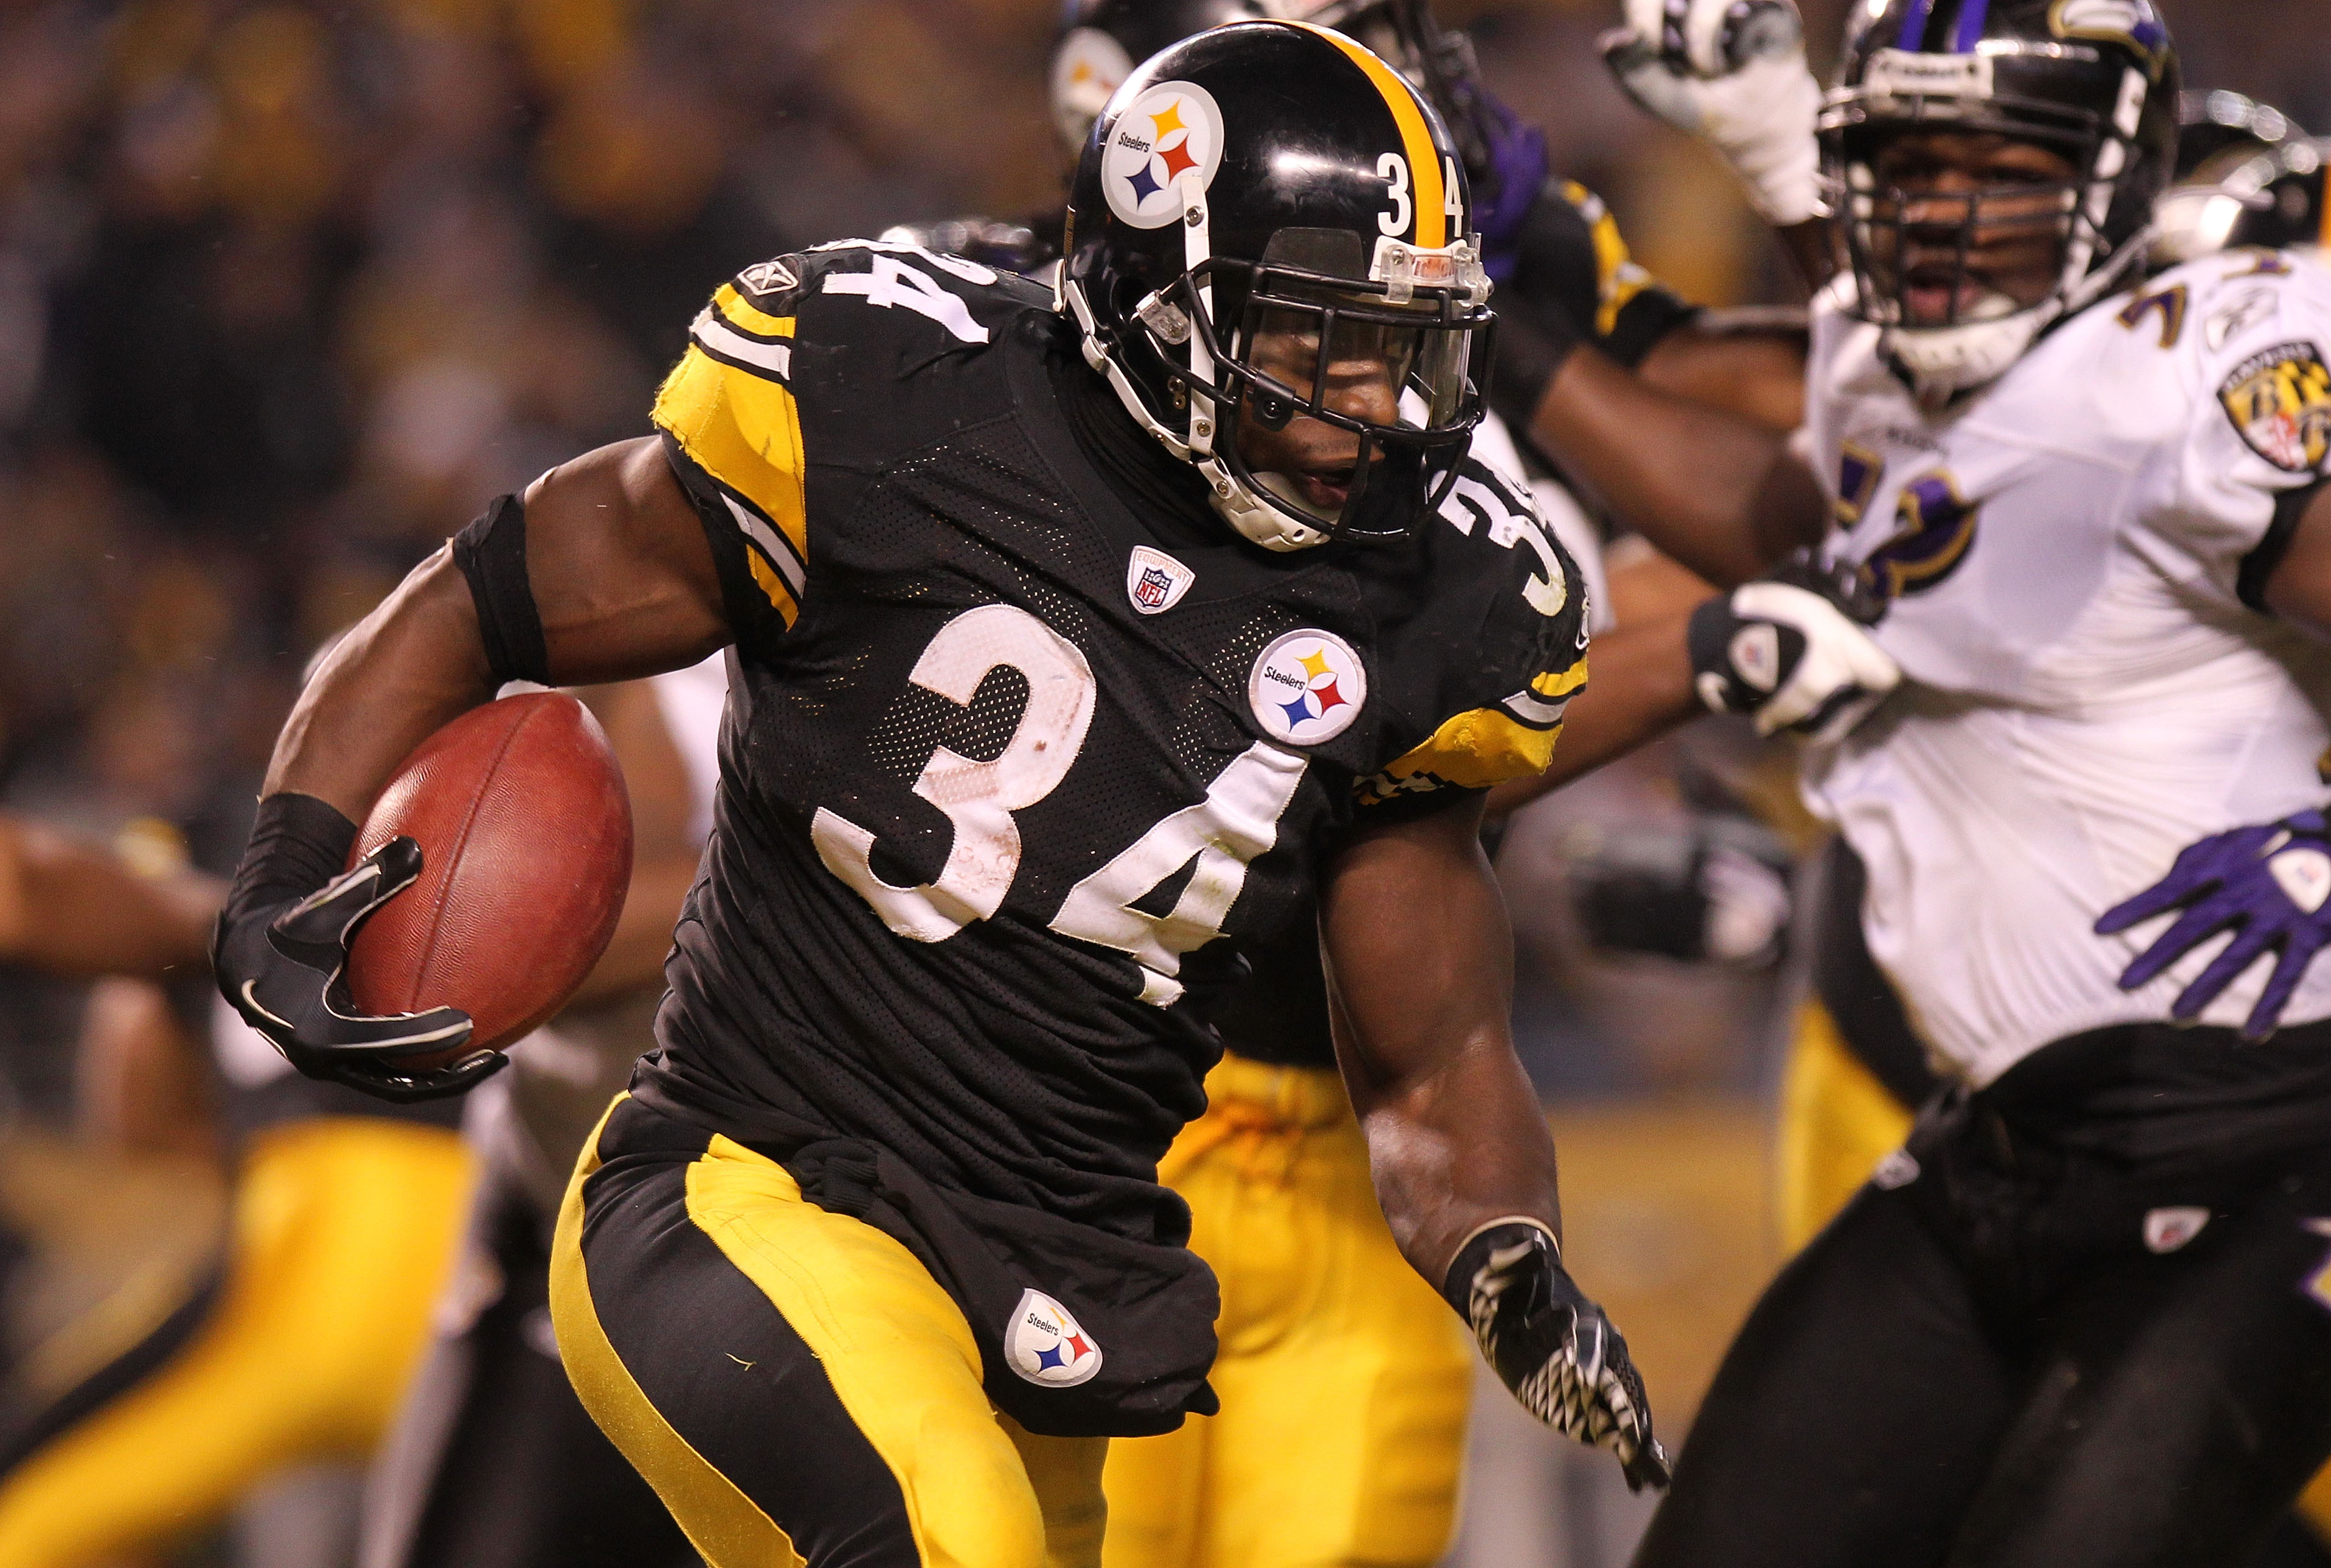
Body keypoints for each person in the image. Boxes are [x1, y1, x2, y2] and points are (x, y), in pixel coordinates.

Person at [212, 22, 1664, 1567]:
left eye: (1405, 343)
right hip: (750, 1184)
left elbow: (1434, 1057)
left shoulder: (1428, 598)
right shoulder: (897, 396)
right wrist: (284, 856)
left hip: (1050, 1271)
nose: (1368, 405)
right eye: (1320, 343)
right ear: (1160, 299)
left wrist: (1505, 1251)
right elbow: (482, 592)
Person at [1593, 1, 2331, 1562]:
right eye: (1906, 173)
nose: (1938, 220)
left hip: (2282, 1142)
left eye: (1992, 174)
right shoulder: (1952, 377)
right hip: (2004, 1138)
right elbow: (1904, 438)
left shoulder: (2223, 380)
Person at [358, 666, 721, 1568]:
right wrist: (785, 891)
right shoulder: (647, 630)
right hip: (571, 1220)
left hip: (809, 1239)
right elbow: (483, 936)